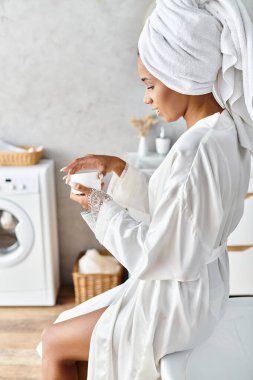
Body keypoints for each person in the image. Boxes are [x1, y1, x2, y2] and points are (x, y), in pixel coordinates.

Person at [37, 0, 253, 379]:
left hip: (173, 302)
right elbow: (178, 214)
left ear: (182, 74)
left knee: (55, 341)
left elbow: (156, 256)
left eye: (150, 84)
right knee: (73, 329)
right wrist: (119, 169)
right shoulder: (225, 132)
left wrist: (99, 206)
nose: (146, 98)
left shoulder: (194, 152)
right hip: (204, 292)